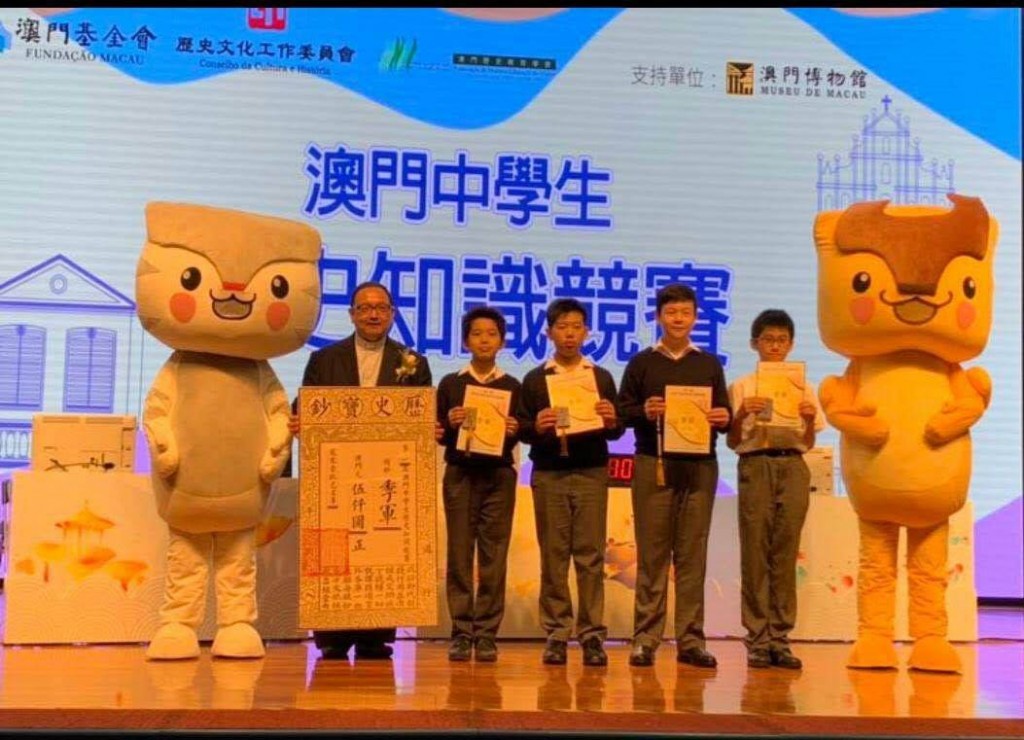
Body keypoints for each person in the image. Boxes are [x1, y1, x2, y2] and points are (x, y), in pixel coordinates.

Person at [289, 281, 432, 661]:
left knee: (382, 549)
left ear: (393, 315)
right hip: (337, 474)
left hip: (387, 474)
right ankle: (331, 635)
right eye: (365, 308)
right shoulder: (324, 359)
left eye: (381, 308)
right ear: (352, 314)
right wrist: (299, 420)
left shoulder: (414, 362)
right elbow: (304, 406)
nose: (373, 315)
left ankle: (375, 634)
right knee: (334, 547)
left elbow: (422, 416)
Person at [617, 283, 731, 668]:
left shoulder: (709, 364)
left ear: (695, 317)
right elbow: (621, 413)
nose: (678, 319)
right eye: (671, 313)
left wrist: (723, 417)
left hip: (700, 466)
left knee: (692, 555)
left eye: (685, 313)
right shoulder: (642, 363)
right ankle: (645, 638)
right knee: (652, 555)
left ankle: (691, 640)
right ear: (658, 317)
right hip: (654, 463)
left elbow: (724, 415)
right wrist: (644, 411)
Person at [516, 298, 624, 667]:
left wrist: (612, 419)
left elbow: (615, 430)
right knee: (554, 555)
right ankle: (557, 633)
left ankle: (592, 634)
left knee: (591, 557)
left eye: (577, 327)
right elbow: (522, 429)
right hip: (549, 473)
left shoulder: (600, 377)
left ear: (586, 332)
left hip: (591, 472)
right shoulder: (535, 379)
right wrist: (537, 425)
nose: (569, 334)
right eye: (562, 327)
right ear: (549, 332)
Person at [727, 309, 823, 670]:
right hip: (755, 464)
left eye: (782, 340)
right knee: (755, 552)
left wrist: (809, 420)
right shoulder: (742, 386)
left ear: (791, 344)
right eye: (768, 339)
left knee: (785, 552)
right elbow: (732, 442)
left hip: (793, 465)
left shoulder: (804, 387)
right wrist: (741, 414)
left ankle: (780, 639)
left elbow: (808, 443)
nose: (775, 346)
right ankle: (757, 638)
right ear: (755, 343)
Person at [436, 306, 522, 663]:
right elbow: (439, 433)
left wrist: (517, 428)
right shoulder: (451, 383)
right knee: (459, 555)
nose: (484, 340)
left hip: (499, 476)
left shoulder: (512, 385)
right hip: (460, 473)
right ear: (465, 341)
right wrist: (449, 422)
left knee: (493, 556)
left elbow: (525, 430)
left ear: (501, 341)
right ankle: (461, 631)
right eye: (476, 334)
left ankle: (486, 633)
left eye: (491, 334)